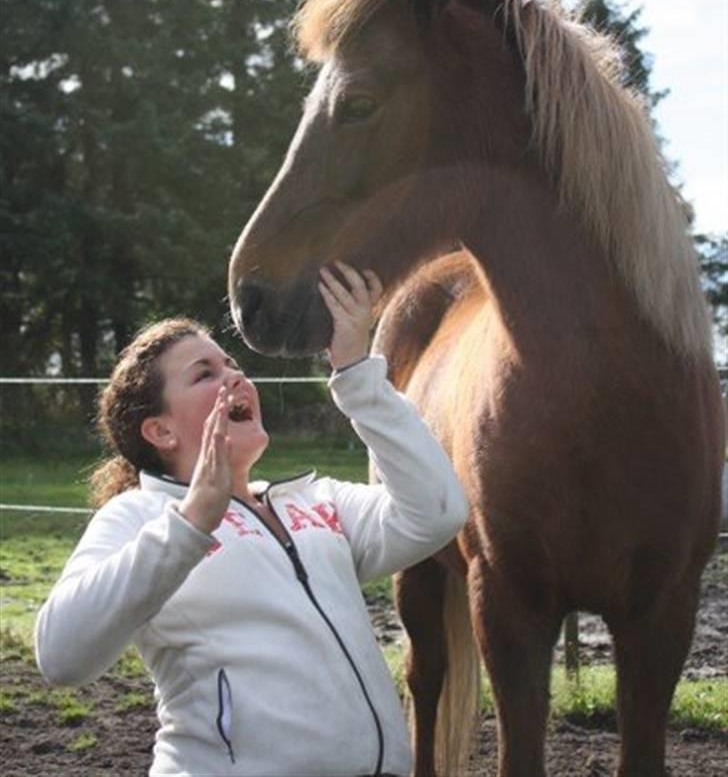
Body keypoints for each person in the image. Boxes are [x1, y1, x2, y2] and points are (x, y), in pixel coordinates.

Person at [35, 262, 468, 777]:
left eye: (230, 364)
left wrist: (357, 377)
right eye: (205, 374)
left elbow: (438, 510)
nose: (234, 376)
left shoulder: (314, 501)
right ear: (160, 431)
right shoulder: (141, 515)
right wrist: (193, 521)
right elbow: (61, 655)